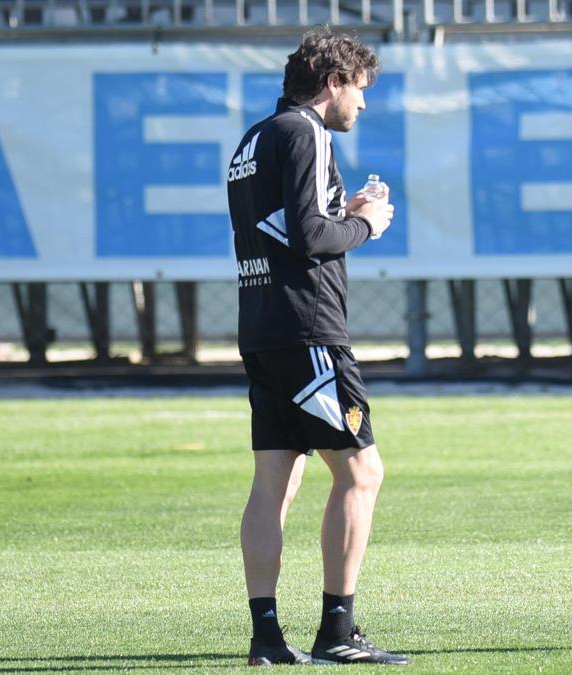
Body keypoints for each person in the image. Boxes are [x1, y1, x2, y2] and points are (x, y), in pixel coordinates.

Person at [226, 27, 409, 667]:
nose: (361, 105)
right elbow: (307, 236)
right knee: (362, 471)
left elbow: (291, 226)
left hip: (262, 326)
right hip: (308, 331)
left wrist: (342, 207)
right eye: (358, 91)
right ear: (333, 83)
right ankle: (338, 630)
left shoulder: (254, 139)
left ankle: (266, 637)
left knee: (276, 480)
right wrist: (366, 223)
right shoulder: (307, 132)